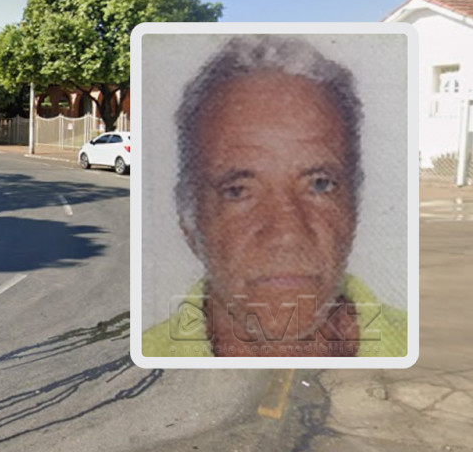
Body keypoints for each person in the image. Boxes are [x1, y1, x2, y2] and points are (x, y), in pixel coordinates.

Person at [142, 36, 406, 357]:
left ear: (354, 205)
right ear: (189, 221)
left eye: (319, 185)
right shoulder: (140, 366)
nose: (287, 235)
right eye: (238, 191)